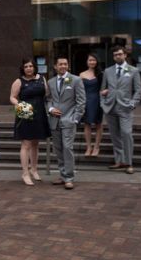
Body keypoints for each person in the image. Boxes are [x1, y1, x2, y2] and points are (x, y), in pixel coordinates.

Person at [100, 45, 141, 174]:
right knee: (115, 136)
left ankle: (129, 163)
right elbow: (102, 89)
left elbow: (138, 90)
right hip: (110, 107)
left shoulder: (133, 71)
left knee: (126, 134)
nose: (117, 56)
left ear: (125, 55)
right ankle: (120, 161)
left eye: (119, 54)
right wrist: (103, 102)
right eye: (115, 55)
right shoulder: (108, 71)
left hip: (125, 108)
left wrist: (133, 103)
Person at [9, 57, 50, 185]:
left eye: (30, 66)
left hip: (40, 113)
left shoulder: (42, 79)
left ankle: (34, 170)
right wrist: (21, 105)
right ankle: (25, 173)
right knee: (26, 143)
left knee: (36, 143)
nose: (28, 68)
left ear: (34, 67)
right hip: (25, 112)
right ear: (23, 68)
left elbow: (47, 95)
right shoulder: (19, 81)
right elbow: (12, 97)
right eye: (26, 66)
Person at [46, 57, 86, 189]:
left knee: (67, 148)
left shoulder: (76, 80)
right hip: (54, 121)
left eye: (65, 64)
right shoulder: (51, 82)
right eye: (60, 64)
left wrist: (75, 119)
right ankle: (63, 174)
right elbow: (48, 99)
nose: (63, 66)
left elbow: (81, 101)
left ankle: (69, 177)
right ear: (55, 66)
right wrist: (51, 109)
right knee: (58, 149)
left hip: (69, 120)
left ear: (68, 66)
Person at [79, 53, 104, 157]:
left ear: (97, 61)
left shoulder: (101, 74)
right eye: (90, 60)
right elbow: (79, 90)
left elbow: (105, 88)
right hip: (85, 101)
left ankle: (96, 147)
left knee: (98, 124)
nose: (92, 62)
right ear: (87, 62)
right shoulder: (81, 74)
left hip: (98, 101)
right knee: (87, 124)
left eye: (94, 60)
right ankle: (88, 147)